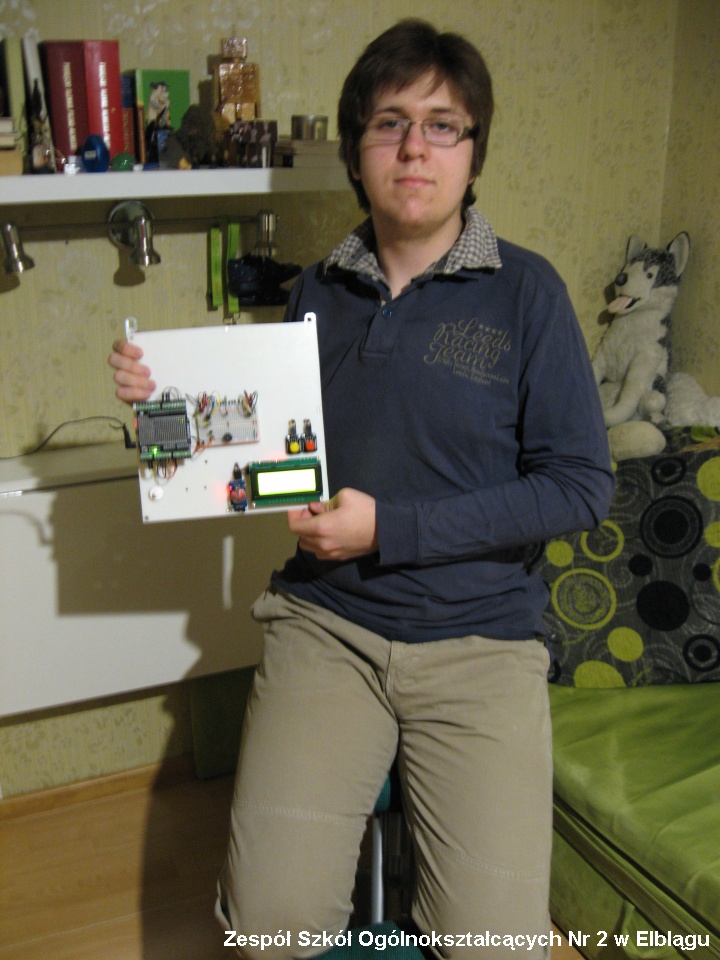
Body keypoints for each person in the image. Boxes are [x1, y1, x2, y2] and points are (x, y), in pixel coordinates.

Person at [109, 20, 615, 960]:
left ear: (473, 153)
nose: (415, 147)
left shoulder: (528, 293)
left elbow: (581, 487)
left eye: (442, 125)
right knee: (267, 931)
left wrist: (391, 529)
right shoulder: (316, 292)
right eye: (390, 123)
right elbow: (265, 452)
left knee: (497, 947)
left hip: (480, 642)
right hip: (328, 627)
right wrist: (163, 411)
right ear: (355, 152)